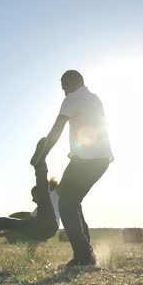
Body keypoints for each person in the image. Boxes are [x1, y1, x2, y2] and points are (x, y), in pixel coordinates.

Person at [30, 69, 113, 268]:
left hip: (86, 159)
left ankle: (84, 257)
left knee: (67, 204)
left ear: (72, 82)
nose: (63, 91)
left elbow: (56, 130)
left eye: (64, 86)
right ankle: (86, 252)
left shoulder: (72, 98)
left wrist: (42, 154)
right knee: (72, 201)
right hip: (101, 159)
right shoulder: (94, 98)